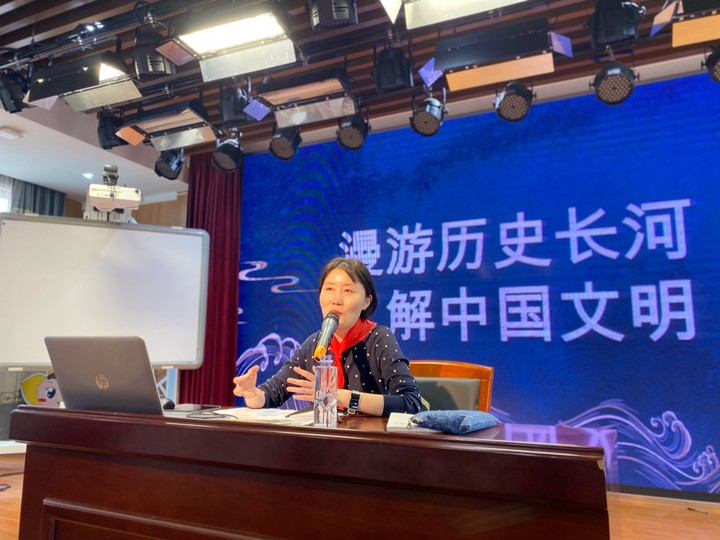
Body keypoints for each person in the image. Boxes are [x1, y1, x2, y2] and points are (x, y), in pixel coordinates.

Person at [233, 257, 425, 416]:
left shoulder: (379, 338)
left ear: (366, 301)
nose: (336, 300)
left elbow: (410, 404)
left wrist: (340, 396)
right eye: (329, 289)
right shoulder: (316, 344)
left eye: (348, 291)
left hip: (370, 444)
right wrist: (253, 394)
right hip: (326, 442)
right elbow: (273, 393)